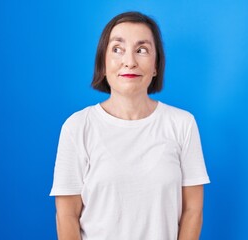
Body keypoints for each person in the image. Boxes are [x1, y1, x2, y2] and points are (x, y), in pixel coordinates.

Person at [50, 11, 210, 240]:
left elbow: (193, 211)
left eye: (141, 50)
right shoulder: (77, 127)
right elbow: (66, 215)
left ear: (156, 65)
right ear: (103, 64)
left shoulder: (182, 124)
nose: (130, 61)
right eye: (117, 49)